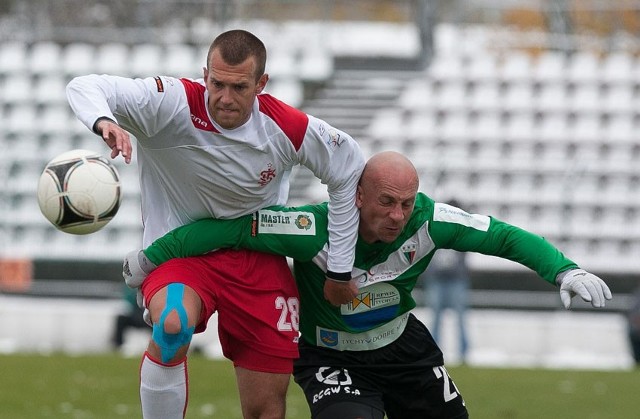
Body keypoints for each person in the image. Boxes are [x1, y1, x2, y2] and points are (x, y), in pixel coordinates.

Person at [125, 151, 613, 419]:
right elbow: (228, 229)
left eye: (406, 202)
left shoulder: (431, 221)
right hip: (330, 358)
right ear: (356, 196)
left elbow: (502, 235)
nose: (398, 215)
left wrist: (564, 269)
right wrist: (152, 257)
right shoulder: (311, 227)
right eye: (386, 201)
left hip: (403, 349)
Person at [66, 29, 365, 419]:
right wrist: (104, 121)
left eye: (239, 87)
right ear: (204, 74)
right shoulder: (170, 103)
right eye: (216, 83)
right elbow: (84, 85)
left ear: (261, 84)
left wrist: (340, 267)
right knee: (172, 327)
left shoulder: (285, 127)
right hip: (181, 256)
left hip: (258, 260)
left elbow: (348, 168)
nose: (224, 97)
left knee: (265, 410)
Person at [420, 200, 471, 364]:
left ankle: (464, 354)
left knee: (461, 318)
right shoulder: (433, 228)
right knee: (435, 318)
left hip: (456, 280)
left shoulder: (462, 231)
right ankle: (433, 354)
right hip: (437, 280)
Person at [112, 284, 150, 350]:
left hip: (149, 317)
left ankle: (160, 345)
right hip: (135, 316)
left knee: (158, 321)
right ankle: (118, 345)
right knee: (121, 319)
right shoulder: (131, 288)